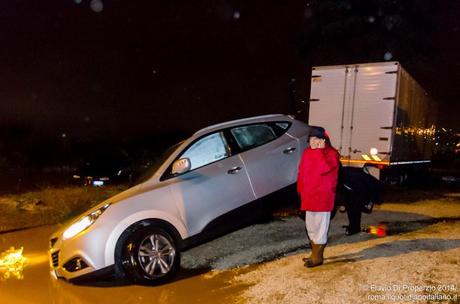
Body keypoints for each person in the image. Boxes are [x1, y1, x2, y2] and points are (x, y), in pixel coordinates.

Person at [297, 126, 340, 268]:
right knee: (310, 225)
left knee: (320, 225)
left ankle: (317, 257)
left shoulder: (331, 153)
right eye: (311, 139)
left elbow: (324, 169)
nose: (313, 142)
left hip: (323, 196)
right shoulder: (307, 152)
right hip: (309, 195)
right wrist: (300, 189)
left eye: (316, 139)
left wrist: (320, 152)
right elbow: (302, 171)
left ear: (323, 140)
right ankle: (314, 252)